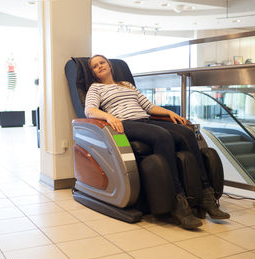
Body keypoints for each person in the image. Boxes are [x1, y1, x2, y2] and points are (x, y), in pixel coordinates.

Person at [85, 54, 230, 229]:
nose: (100, 66)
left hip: (146, 120)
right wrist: (108, 116)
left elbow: (148, 106)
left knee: (187, 133)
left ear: (109, 65)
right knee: (162, 136)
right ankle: (178, 202)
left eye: (102, 62)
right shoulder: (96, 88)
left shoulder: (127, 85)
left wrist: (169, 113)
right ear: (93, 73)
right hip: (125, 124)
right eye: (95, 66)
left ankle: (206, 196)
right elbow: (90, 110)